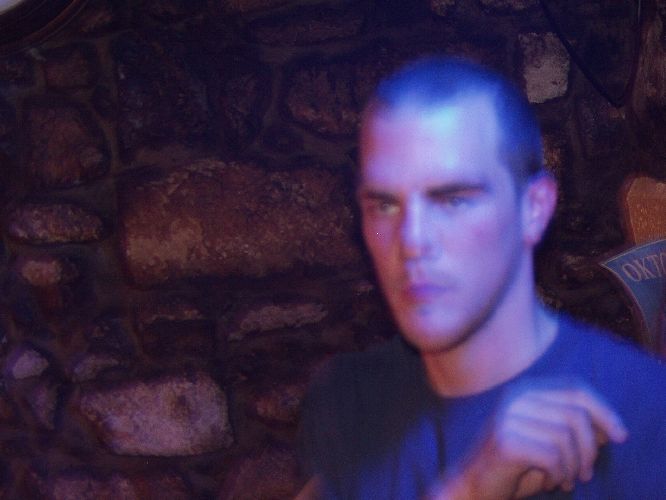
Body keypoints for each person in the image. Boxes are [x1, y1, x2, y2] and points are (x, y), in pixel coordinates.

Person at [297, 57, 666, 499]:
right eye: (384, 205)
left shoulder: (637, 409)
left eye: (453, 199)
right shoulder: (352, 401)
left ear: (533, 208)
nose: (412, 240)